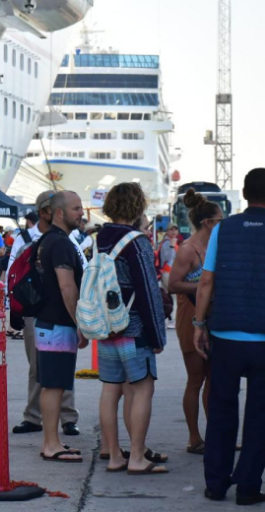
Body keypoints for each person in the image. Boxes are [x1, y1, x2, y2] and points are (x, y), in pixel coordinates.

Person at [194, 168, 265, 505]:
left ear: (245, 193)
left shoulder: (223, 228)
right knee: (260, 414)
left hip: (225, 334)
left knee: (222, 409)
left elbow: (206, 281)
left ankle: (216, 483)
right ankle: (249, 486)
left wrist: (198, 324)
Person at [95, 183, 168, 474]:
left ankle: (114, 455)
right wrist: (157, 335)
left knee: (110, 390)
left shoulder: (100, 237)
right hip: (134, 327)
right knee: (142, 390)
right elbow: (149, 291)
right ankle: (137, 456)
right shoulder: (136, 241)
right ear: (138, 206)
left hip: (107, 327)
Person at [11, 196, 79, 436]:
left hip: (57, 313)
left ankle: (68, 417)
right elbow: (12, 273)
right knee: (38, 367)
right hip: (39, 311)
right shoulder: (25, 238)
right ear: (46, 211)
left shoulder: (68, 238)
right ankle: (33, 416)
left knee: (61, 369)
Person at [168, 189, 222, 456]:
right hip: (189, 318)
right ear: (208, 222)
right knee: (196, 378)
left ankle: (216, 434)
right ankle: (193, 437)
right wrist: (202, 286)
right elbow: (172, 284)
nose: (223, 224)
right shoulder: (188, 249)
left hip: (214, 318)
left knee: (215, 379)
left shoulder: (217, 246)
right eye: (220, 220)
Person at [35, 191, 87, 463]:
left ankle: (52, 441)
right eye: (76, 208)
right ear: (59, 212)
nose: (81, 213)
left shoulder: (48, 240)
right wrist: (80, 323)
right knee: (54, 386)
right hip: (57, 325)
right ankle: (51, 444)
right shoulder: (61, 244)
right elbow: (67, 286)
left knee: (52, 385)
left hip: (49, 323)